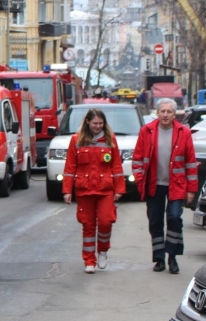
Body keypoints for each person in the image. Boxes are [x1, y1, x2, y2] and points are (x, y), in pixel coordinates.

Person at [132, 98, 197, 274]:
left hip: (176, 185)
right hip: (154, 184)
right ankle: (159, 258)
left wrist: (191, 189)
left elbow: (191, 163)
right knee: (155, 221)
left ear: (174, 114)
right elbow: (137, 159)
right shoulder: (147, 131)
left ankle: (172, 256)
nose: (166, 115)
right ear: (158, 113)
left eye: (169, 112)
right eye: (163, 111)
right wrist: (140, 180)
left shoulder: (183, 132)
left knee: (174, 218)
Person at [62, 108, 125, 274]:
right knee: (88, 225)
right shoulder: (77, 140)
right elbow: (70, 167)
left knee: (106, 221)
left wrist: (119, 188)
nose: (98, 126)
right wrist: (67, 190)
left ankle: (103, 250)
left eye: (101, 123)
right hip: (85, 189)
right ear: (88, 122)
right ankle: (89, 260)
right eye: (95, 123)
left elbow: (116, 166)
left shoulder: (110, 140)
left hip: (105, 189)